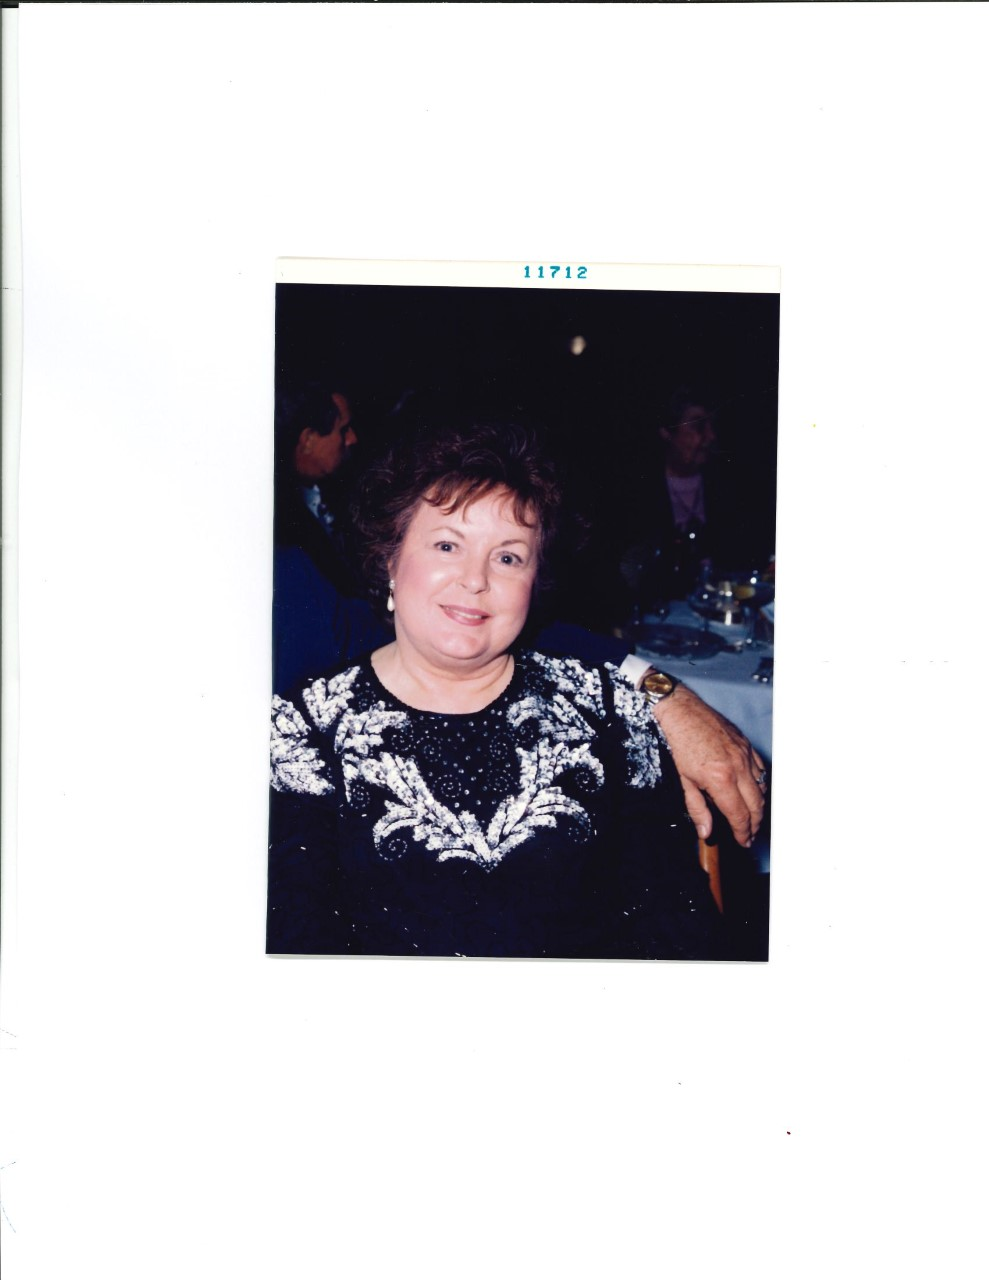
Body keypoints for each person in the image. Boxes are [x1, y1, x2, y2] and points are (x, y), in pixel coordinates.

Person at [268, 422, 735, 959]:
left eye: (508, 557)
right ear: (390, 559)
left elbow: (676, 927)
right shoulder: (306, 730)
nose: (476, 579)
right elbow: (295, 942)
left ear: (535, 582)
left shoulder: (610, 712)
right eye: (447, 545)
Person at [621, 388, 774, 604]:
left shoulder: (729, 486)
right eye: (699, 426)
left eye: (712, 426)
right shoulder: (639, 491)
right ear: (667, 432)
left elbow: (745, 558)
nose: (711, 436)